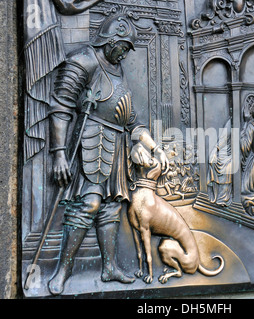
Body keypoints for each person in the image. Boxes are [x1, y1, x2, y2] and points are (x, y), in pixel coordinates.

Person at [47, 14, 169, 295]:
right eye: (123, 47)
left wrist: (156, 147)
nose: (125, 55)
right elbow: (61, 106)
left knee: (111, 208)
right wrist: (59, 154)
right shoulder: (84, 61)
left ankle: (109, 267)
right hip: (90, 139)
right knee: (87, 204)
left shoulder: (118, 71)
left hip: (115, 147)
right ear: (110, 40)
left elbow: (132, 122)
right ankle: (63, 270)